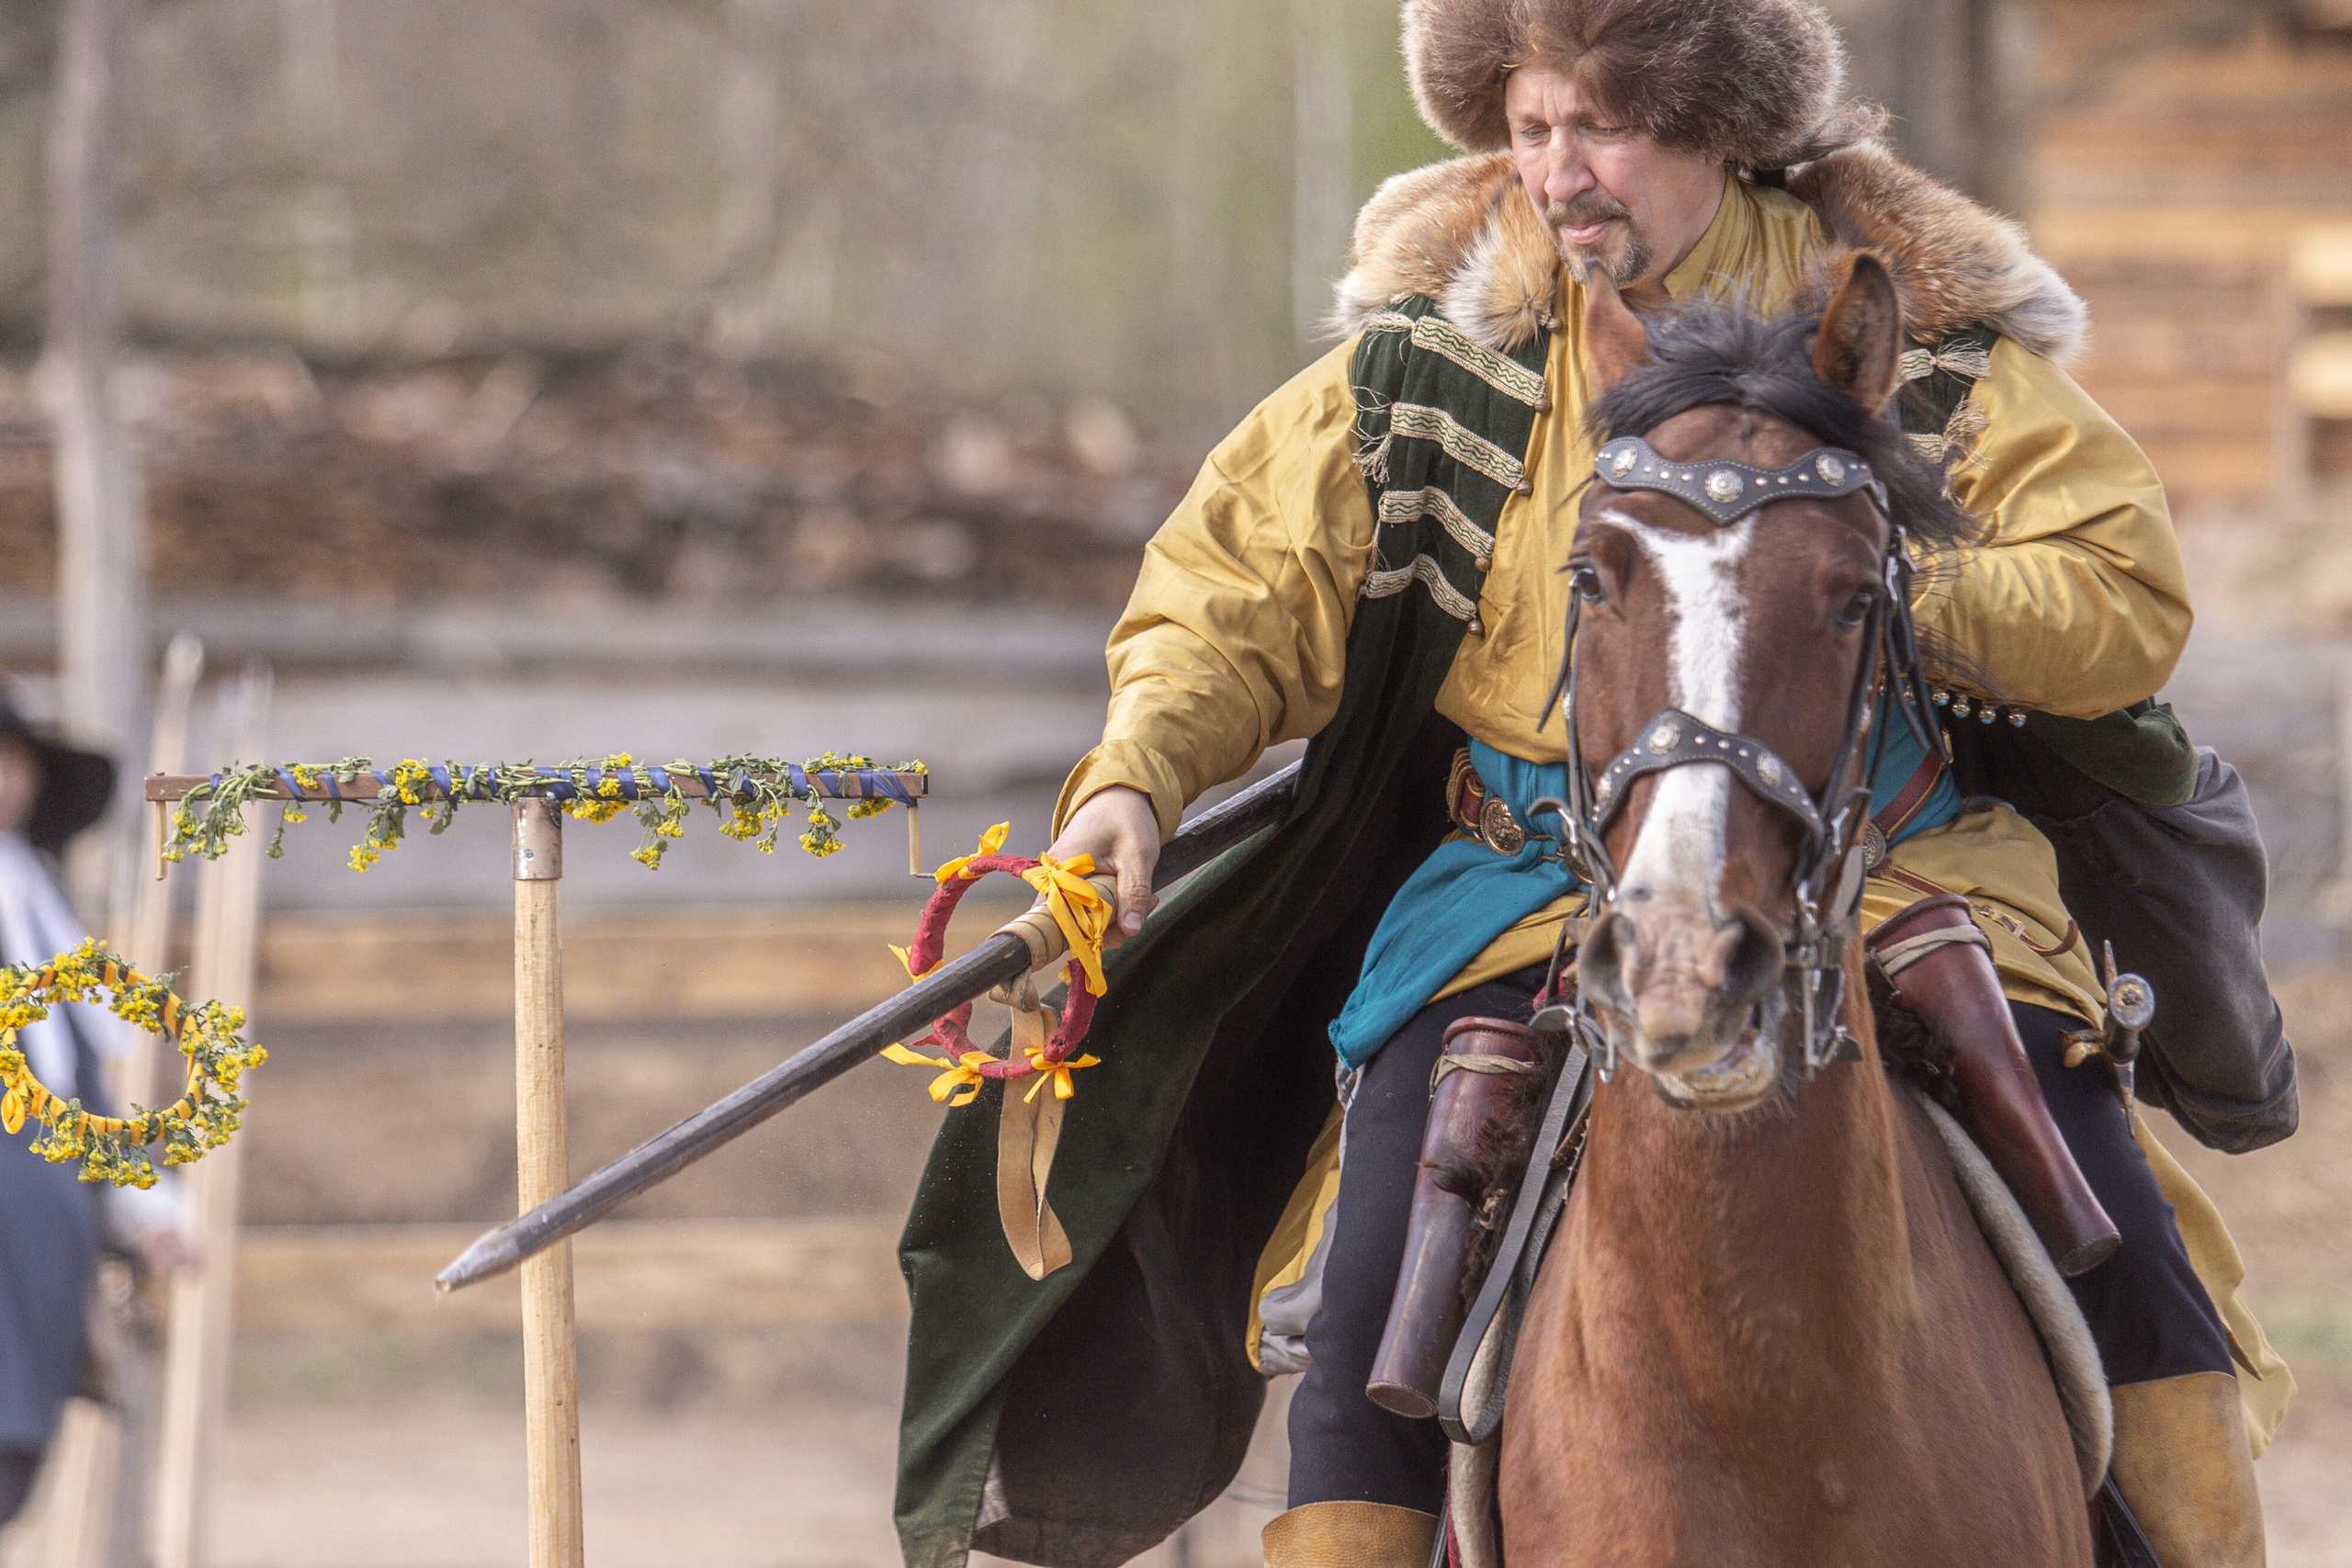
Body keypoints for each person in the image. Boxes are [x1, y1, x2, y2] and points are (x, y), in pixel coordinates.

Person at [891, 4, 2287, 1564]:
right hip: (1525, 889)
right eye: (1534, 126)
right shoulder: (1442, 366)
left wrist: (1869, 587)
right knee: (1365, 1320)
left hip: (1892, 865)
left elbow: (2124, 593)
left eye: (1603, 128)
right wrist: (1131, 781)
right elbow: (1235, 593)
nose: (1560, 171)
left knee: (2130, 1248)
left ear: (1714, 126)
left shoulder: (1927, 356)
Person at [0, 696, 190, 1528]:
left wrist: (144, 1202)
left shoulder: (31, 904)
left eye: (13, 761)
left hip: (33, 1267)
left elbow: (76, 1091)